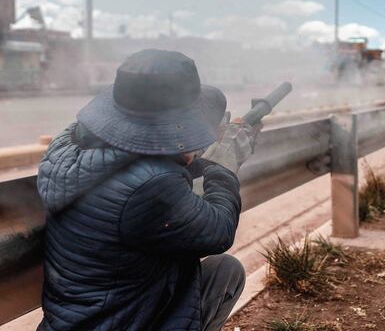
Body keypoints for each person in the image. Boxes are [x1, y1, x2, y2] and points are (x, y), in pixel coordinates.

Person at [36, 49, 261, 331]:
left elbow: (131, 168)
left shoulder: (74, 147)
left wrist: (190, 156)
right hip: (121, 322)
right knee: (225, 271)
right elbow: (219, 231)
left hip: (78, 319)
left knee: (223, 272)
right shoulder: (151, 186)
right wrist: (222, 168)